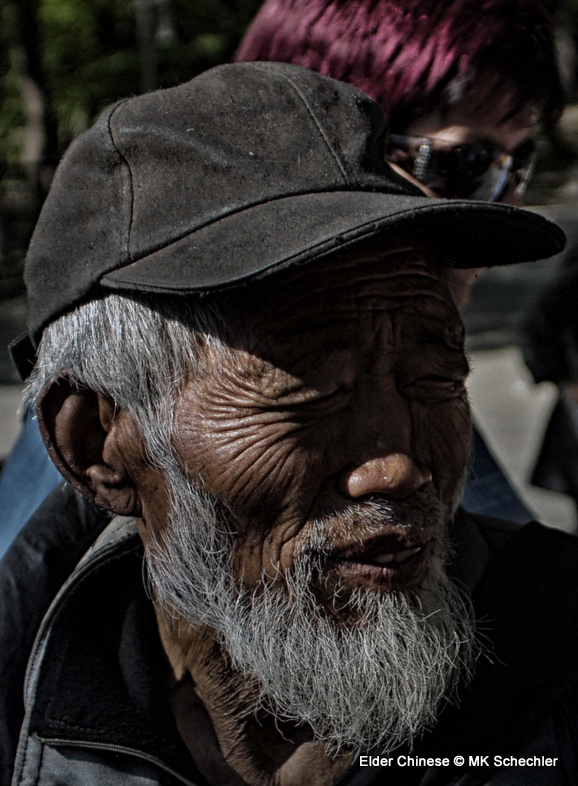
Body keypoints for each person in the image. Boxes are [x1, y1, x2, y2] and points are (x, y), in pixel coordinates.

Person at [1, 62, 573, 786]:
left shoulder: (556, 657)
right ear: (99, 446)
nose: (398, 466)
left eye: (432, 379)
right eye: (309, 395)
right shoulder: (19, 705)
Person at [233, 0, 566, 524]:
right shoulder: (159, 404)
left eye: (517, 165)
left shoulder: (422, 392)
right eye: (468, 164)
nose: (510, 204)